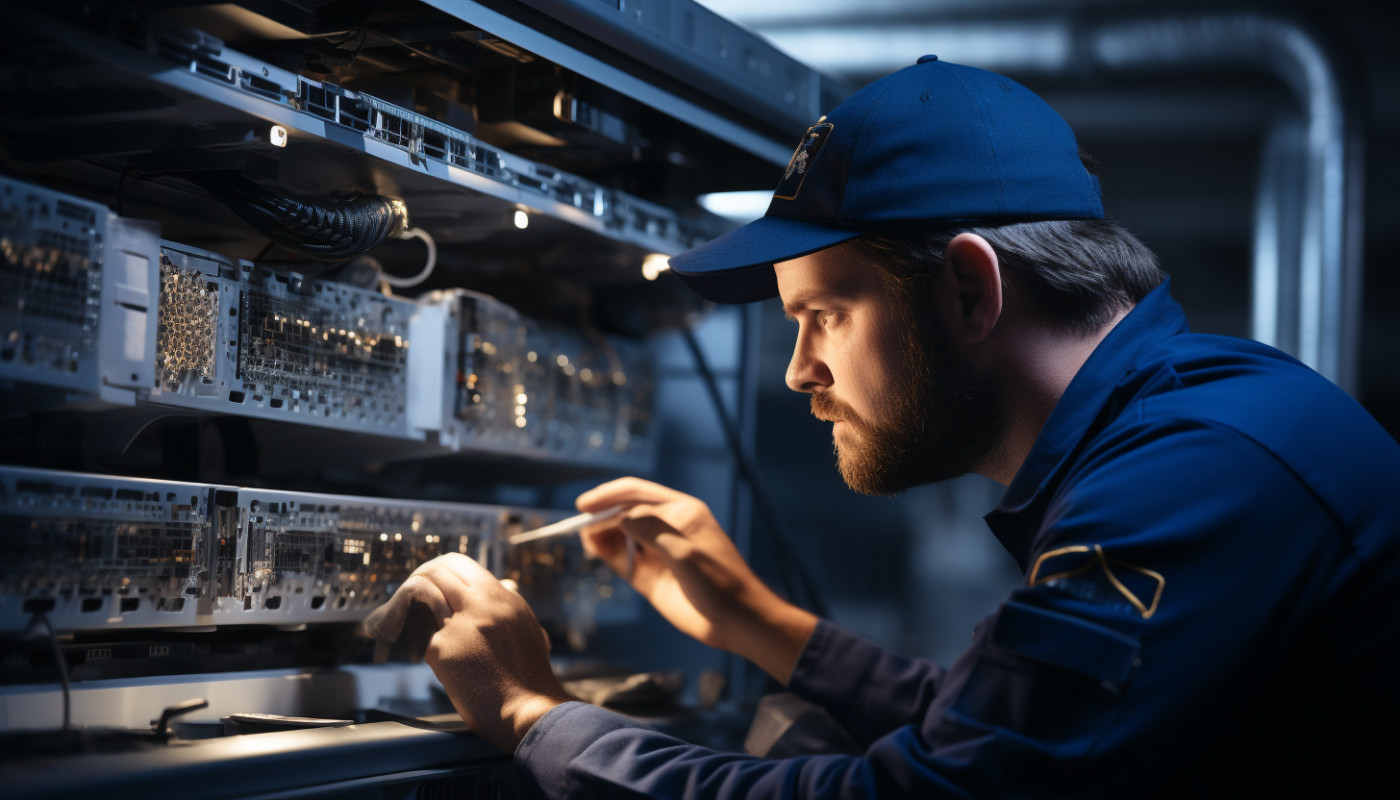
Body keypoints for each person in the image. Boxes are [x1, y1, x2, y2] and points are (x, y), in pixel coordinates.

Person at [408, 56, 1400, 797]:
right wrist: (762, 623)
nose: (800, 370)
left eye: (821, 316)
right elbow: (1013, 732)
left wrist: (535, 714)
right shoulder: (1190, 424)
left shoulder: (1192, 475)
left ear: (969, 289)